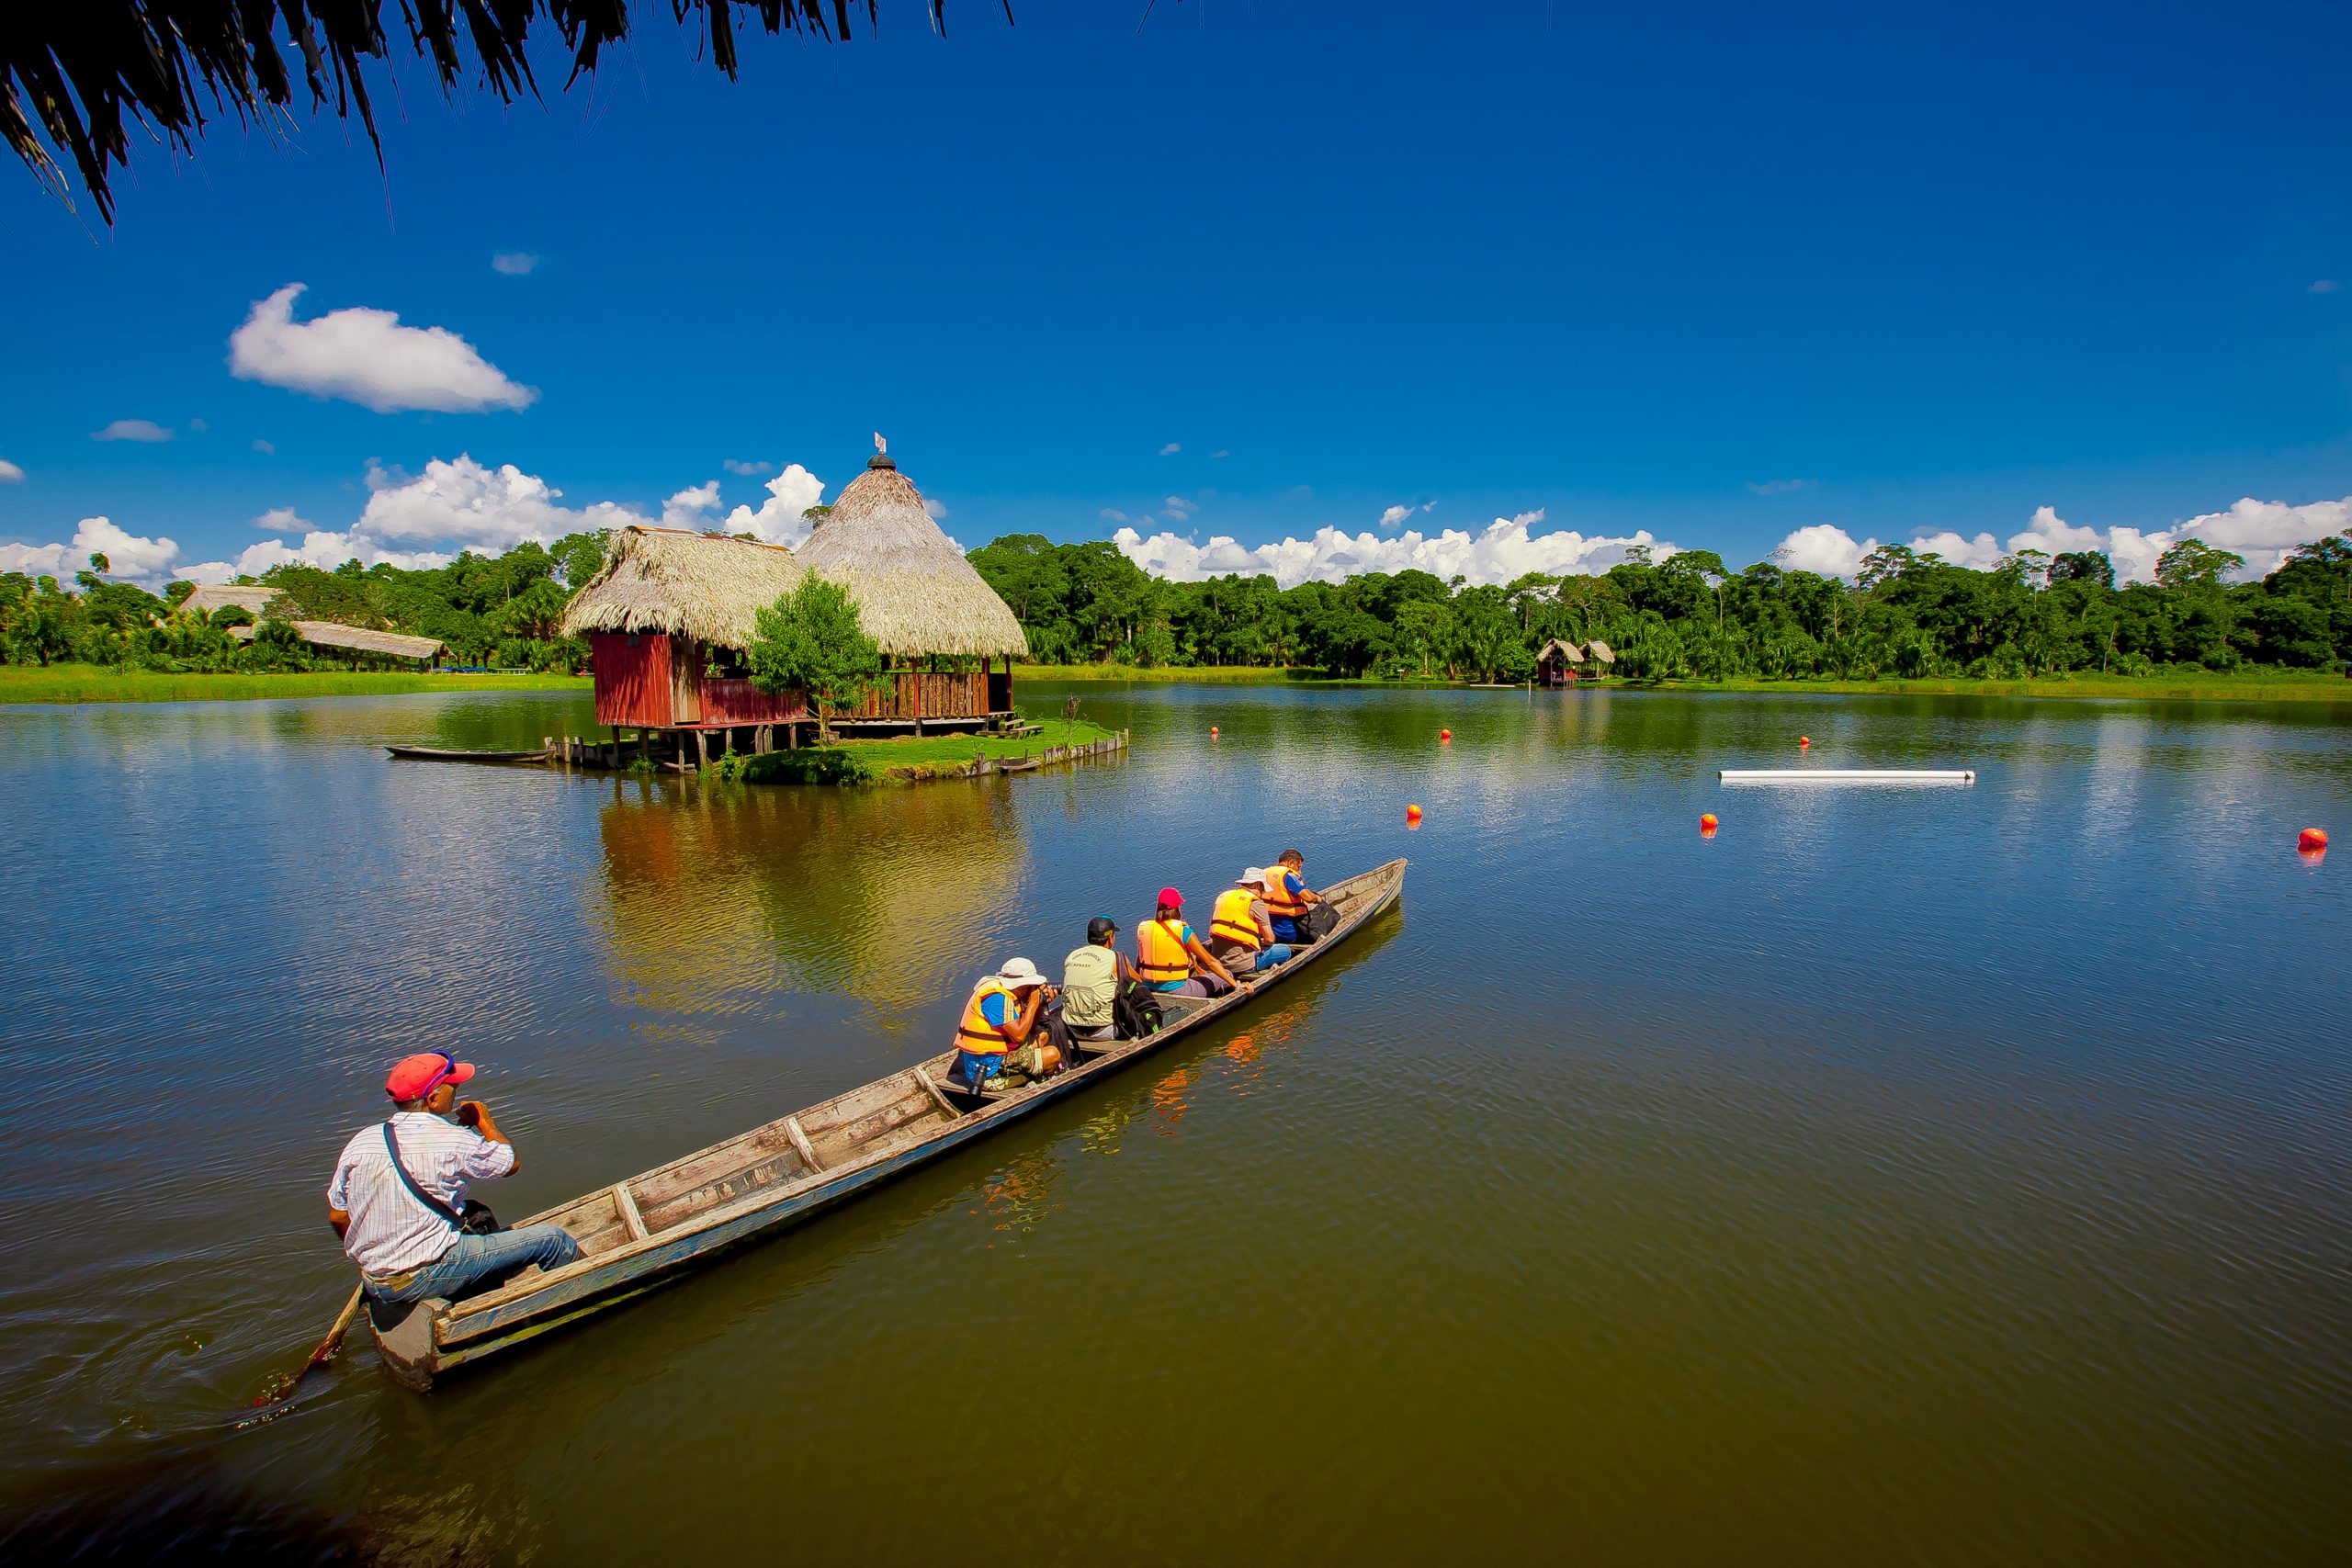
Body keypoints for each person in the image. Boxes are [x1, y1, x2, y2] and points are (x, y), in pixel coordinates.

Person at [328, 1053, 582, 1328]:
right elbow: (509, 1163)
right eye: (453, 1086)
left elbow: (338, 1217)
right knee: (554, 1240)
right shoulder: (449, 1138)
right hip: (422, 1274)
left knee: (475, 1213)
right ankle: (585, 1300)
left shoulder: (362, 1141)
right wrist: (483, 1121)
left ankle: (479, 1289)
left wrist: (373, 1256)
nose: (458, 1089)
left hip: (375, 1278)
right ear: (433, 1099)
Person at [952, 957, 1056, 1089]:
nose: (1033, 990)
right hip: (988, 1071)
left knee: (1042, 1036)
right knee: (1053, 1055)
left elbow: (1029, 1029)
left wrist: (1041, 1004)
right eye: (1030, 986)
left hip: (994, 1056)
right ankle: (1031, 1079)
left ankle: (1032, 1071)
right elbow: (1018, 1036)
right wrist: (1033, 1002)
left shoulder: (1006, 993)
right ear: (1020, 986)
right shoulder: (996, 999)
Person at [1135, 887, 1238, 998]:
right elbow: (1209, 962)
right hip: (1178, 990)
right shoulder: (1183, 931)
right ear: (1178, 907)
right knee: (1228, 974)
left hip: (1149, 987)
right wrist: (1236, 984)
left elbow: (1140, 962)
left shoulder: (1144, 929)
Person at [1062, 917, 1136, 1043]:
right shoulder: (1116, 958)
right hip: (1103, 1031)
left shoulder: (1073, 956)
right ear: (1111, 938)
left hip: (1071, 1029)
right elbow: (1138, 984)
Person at [1209, 868, 1295, 976]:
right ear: (1257, 885)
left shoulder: (1223, 897)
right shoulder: (1255, 903)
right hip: (1244, 965)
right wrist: (1264, 943)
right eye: (1263, 889)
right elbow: (1270, 939)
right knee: (1285, 950)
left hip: (1219, 963)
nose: (1263, 893)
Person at [1262, 849, 1324, 945]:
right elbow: (1308, 898)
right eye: (1298, 867)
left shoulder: (1264, 873)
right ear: (1291, 863)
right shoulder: (1288, 875)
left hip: (1267, 929)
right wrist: (1317, 898)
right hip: (1289, 932)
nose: (1299, 871)